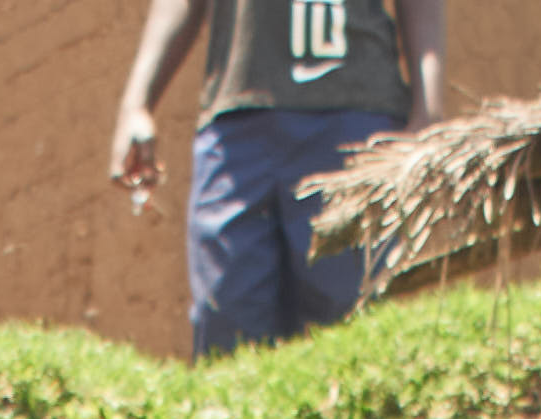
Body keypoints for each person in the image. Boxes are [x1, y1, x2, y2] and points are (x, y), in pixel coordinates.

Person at [109, 0, 441, 359]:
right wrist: (137, 105)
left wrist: (429, 111)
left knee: (353, 332)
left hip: (354, 120)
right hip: (236, 126)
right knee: (227, 329)